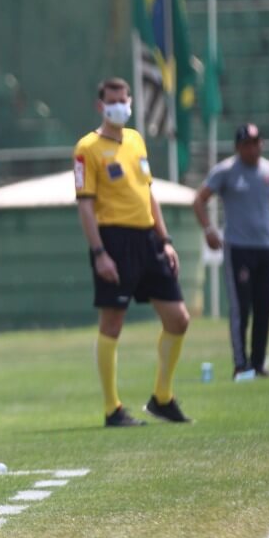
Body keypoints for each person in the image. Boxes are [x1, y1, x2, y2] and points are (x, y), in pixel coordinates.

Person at [74, 78, 192, 427]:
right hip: (114, 241)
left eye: (123, 100)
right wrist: (99, 253)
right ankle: (113, 409)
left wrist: (165, 240)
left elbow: (148, 193)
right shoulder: (87, 148)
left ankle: (162, 398)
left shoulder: (137, 140)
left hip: (148, 240)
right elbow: (85, 205)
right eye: (112, 101)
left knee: (178, 318)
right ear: (100, 106)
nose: (119, 106)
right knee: (112, 322)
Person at [192, 123, 269, 378]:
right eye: (248, 144)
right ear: (238, 147)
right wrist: (209, 230)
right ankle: (241, 364)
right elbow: (199, 200)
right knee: (241, 308)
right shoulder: (226, 171)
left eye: (257, 142)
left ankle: (258, 363)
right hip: (239, 249)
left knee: (264, 307)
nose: (254, 148)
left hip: (265, 248)